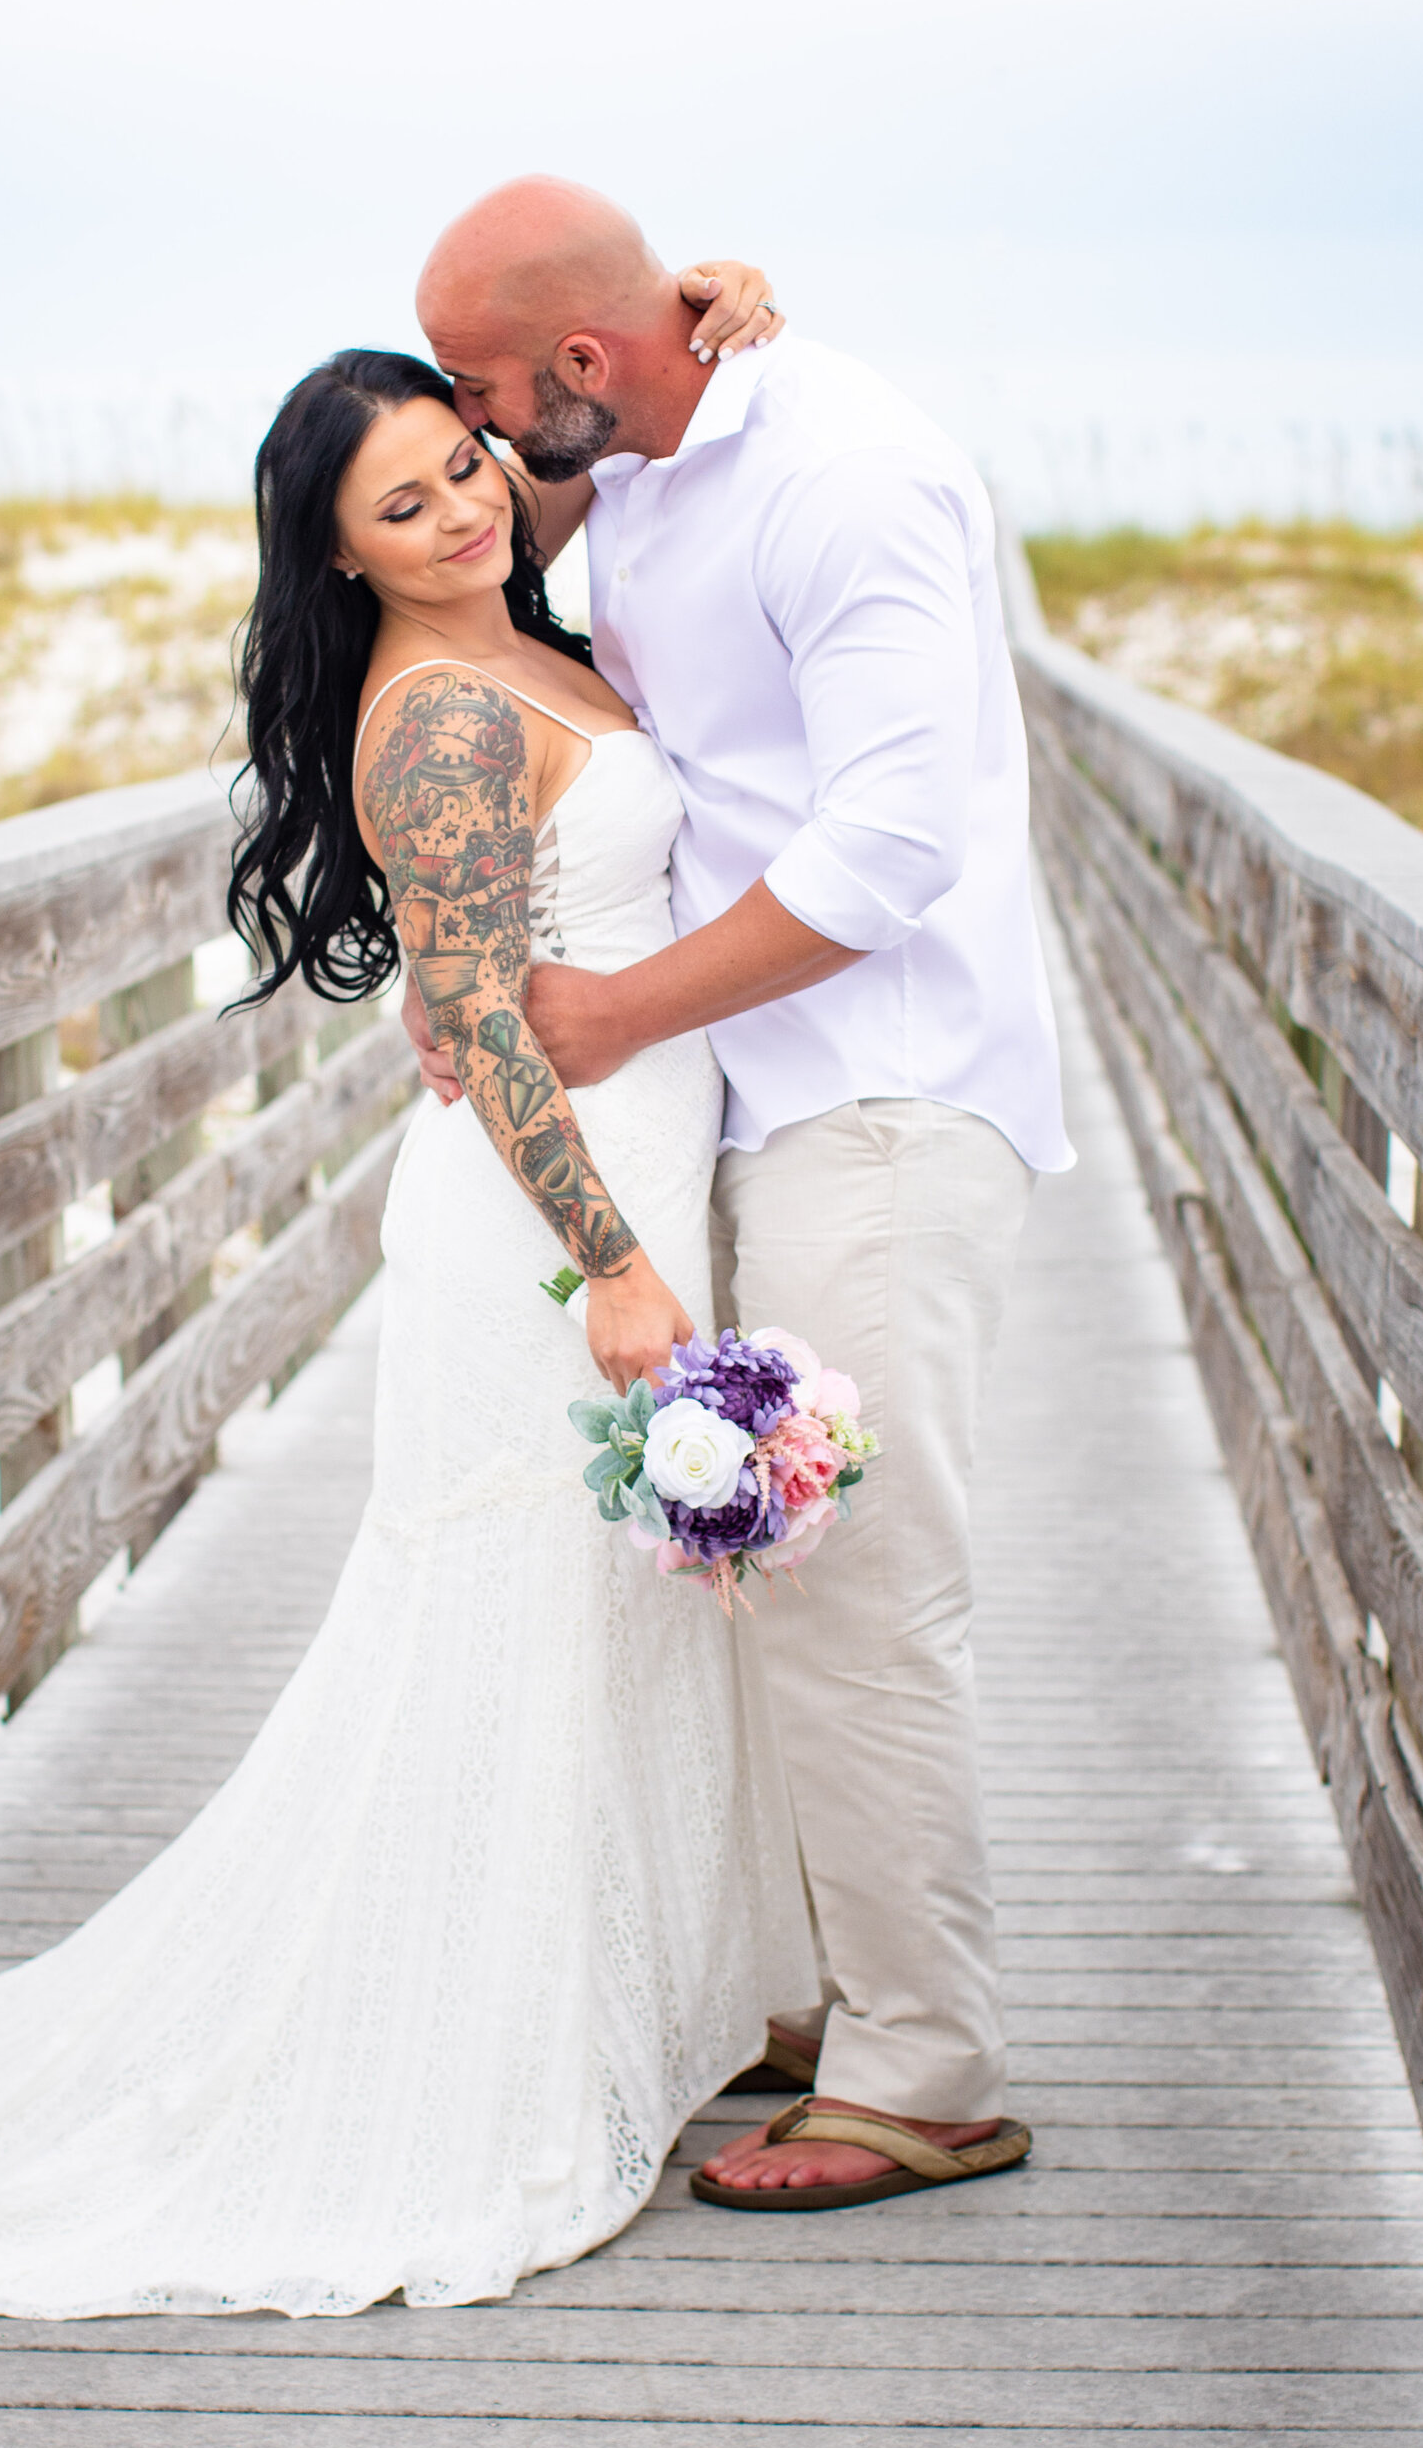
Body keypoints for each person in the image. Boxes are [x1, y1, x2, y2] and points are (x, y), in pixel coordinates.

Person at [0, 260, 814, 2317]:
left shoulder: (520, 614)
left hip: (644, 1180)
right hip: (544, 1228)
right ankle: (473, 2056)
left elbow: (598, 469)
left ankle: (645, 1999)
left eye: (460, 468)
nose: (456, 513)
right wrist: (609, 1272)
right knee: (514, 1612)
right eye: (401, 507)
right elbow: (482, 1023)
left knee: (616, 1610)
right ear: (335, 558)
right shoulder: (435, 712)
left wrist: (720, 326)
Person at [411, 176, 1068, 2214]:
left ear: (580, 370)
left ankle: (923, 2070)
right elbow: (440, 549)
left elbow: (885, 853)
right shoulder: (643, 454)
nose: (473, 432)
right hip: (746, 1106)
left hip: (876, 1100)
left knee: (863, 1589)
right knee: (762, 1568)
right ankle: (829, 1996)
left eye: (486, 392)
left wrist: (607, 1012)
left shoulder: (846, 476)